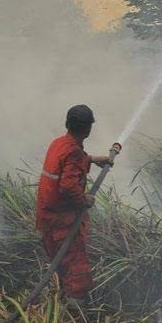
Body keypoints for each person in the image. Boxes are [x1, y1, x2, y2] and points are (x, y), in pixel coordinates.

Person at [35, 105, 112, 303]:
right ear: (88, 129)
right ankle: (75, 313)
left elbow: (67, 162)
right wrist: (83, 199)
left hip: (46, 215)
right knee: (77, 271)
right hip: (62, 220)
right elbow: (68, 186)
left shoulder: (58, 143)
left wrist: (92, 160)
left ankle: (62, 297)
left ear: (67, 124)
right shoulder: (74, 153)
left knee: (61, 262)